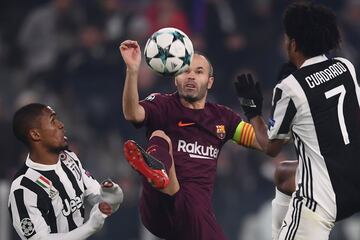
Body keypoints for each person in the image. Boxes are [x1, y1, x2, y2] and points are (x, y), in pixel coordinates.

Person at [234, 2, 360, 240]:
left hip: (324, 198)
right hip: (355, 182)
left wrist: (252, 113)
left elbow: (271, 147)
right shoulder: (346, 67)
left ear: (293, 44)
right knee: (283, 173)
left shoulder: (290, 87)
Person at [119, 40, 262, 239]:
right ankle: (156, 171)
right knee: (160, 136)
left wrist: (257, 114)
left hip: (194, 213)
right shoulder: (163, 105)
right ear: (175, 78)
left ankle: (157, 171)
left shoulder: (223, 118)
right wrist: (132, 70)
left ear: (209, 81)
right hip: (160, 203)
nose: (191, 76)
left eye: (199, 71)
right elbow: (132, 114)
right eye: (185, 71)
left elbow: (264, 142)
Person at [8, 103, 124, 240]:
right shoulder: (23, 188)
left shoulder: (68, 158)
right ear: (35, 134)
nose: (61, 125)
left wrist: (113, 194)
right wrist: (90, 227)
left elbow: (104, 202)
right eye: (53, 121)